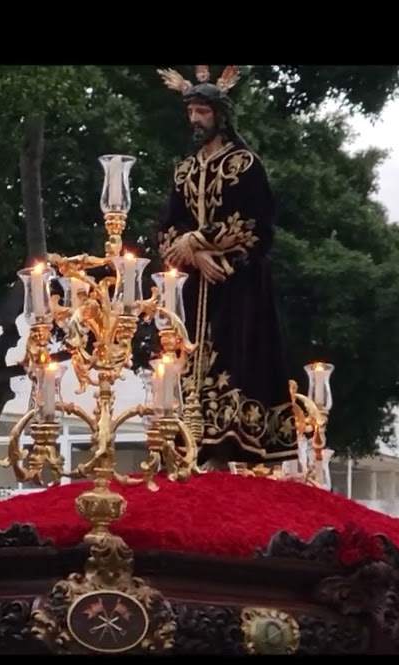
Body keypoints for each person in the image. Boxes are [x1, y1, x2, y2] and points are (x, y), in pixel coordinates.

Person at [153, 65, 299, 470]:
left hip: (239, 281)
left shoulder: (245, 164)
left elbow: (256, 223)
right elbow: (167, 227)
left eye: (202, 112)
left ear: (219, 114)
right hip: (194, 285)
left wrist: (199, 240)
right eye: (191, 113)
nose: (195, 120)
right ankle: (187, 449)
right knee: (185, 362)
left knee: (236, 361)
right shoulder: (183, 170)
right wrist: (192, 251)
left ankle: (225, 452)